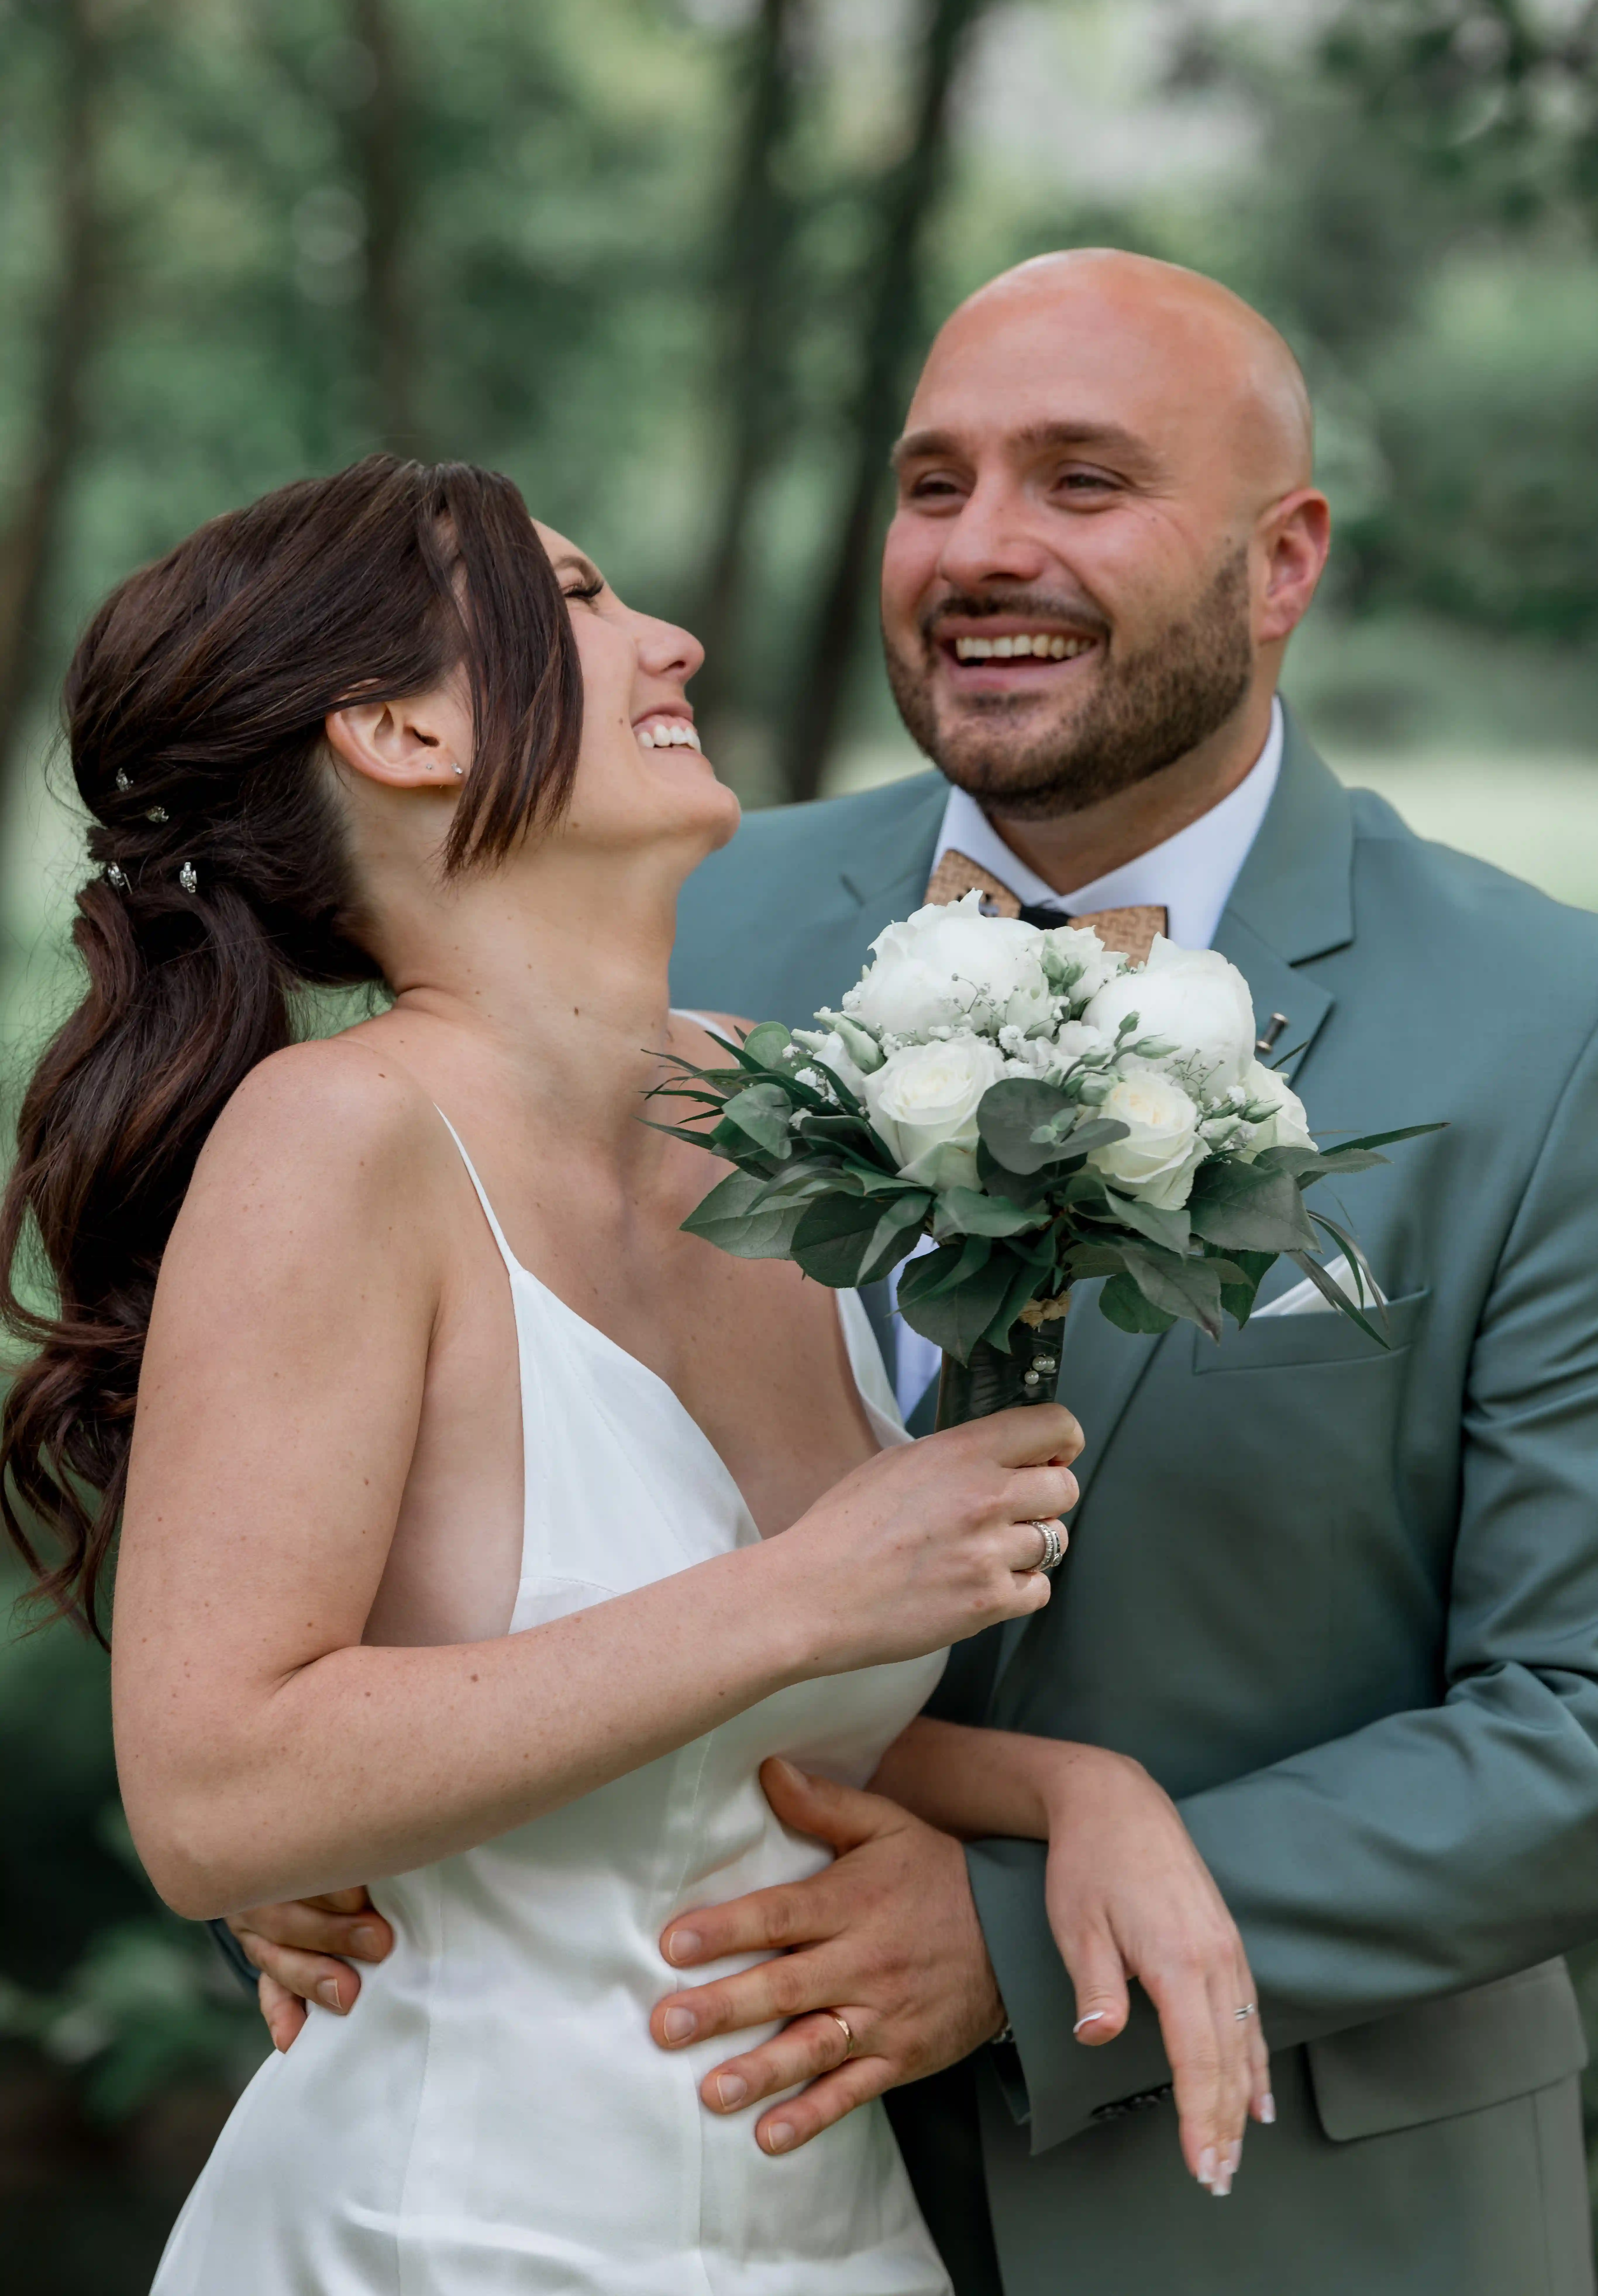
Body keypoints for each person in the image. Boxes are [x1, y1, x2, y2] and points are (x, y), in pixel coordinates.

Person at [241, 253, 1598, 2296]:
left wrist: (1003, 1930)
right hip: (646, 2157)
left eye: (1081, 482)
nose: (982, 553)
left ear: (1281, 559)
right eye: (932, 482)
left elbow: (1574, 1716)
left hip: (1288, 2206)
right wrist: (329, 1827)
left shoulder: (1547, 1029)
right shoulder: (668, 918)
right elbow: (371, 1495)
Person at [0, 453, 1264, 2295]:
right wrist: (804, 1593)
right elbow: (216, 1800)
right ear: (400, 732)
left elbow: (716, 1735)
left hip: (831, 2233)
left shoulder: (778, 1113)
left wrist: (1075, 1793)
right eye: (577, 602)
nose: (666, 640)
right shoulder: (333, 1142)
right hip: (445, 2231)